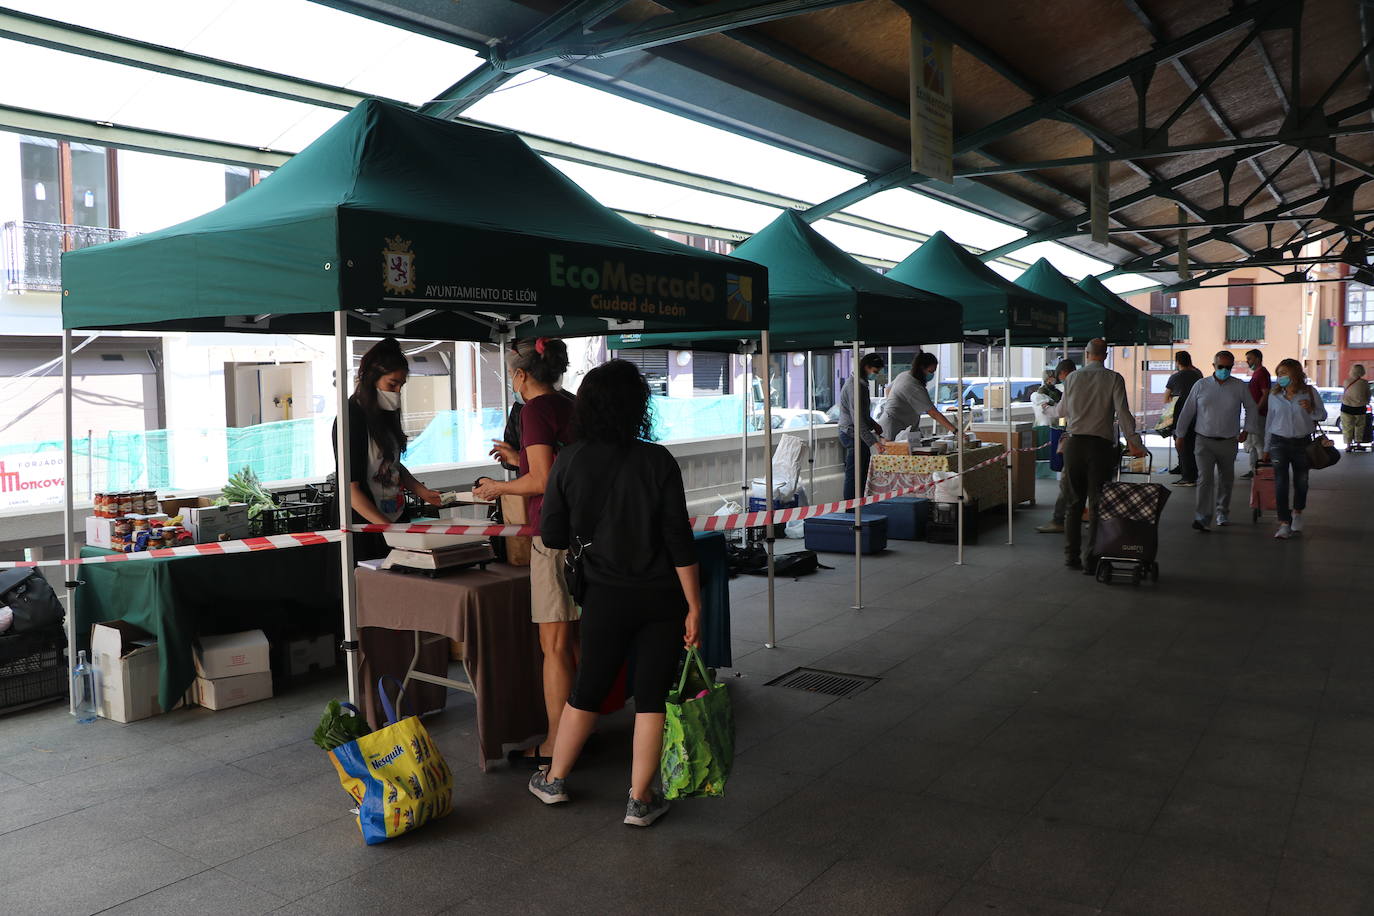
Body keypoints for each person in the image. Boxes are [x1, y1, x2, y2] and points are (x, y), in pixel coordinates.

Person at [529, 359, 701, 829]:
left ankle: (555, 780)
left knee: (588, 689)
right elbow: (678, 540)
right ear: (637, 406)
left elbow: (554, 535)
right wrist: (694, 605)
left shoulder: (569, 460)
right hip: (662, 598)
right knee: (650, 696)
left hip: (604, 596)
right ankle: (640, 800)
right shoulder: (657, 459)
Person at [474, 338, 576, 769]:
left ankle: (556, 743)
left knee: (553, 645)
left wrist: (498, 486)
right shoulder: (570, 405)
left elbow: (544, 480)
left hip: (552, 535)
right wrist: (519, 460)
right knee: (574, 641)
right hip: (584, 534)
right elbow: (553, 466)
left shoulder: (534, 410)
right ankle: (580, 727)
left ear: (520, 375)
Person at [334, 338, 442, 560]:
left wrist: (422, 491)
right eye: (392, 384)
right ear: (371, 378)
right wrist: (390, 531)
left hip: (394, 516)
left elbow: (391, 464)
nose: (397, 392)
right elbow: (350, 490)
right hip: (365, 527)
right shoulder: (350, 417)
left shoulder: (385, 414)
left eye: (401, 385)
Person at [1059, 339, 1147, 572]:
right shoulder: (1114, 378)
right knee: (1098, 504)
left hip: (1074, 444)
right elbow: (1123, 412)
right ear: (1105, 355)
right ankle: (1092, 559)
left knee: (1074, 504)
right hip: (1100, 448)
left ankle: (1071, 556)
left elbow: (1061, 411)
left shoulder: (1072, 378)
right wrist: (1134, 442)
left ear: (1087, 354)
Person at [1173, 350, 1260, 532]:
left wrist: (1248, 429)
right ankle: (1202, 518)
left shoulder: (1239, 386)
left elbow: (1251, 407)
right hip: (1204, 441)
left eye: (1228, 367)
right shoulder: (1201, 385)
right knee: (1205, 479)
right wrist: (1180, 434)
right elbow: (1188, 411)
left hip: (1229, 441)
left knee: (1226, 479)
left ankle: (1222, 512)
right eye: (1221, 367)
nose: (1225, 370)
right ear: (1213, 366)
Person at [1263, 359, 1327, 540]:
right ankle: (1284, 522)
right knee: (1280, 482)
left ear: (1296, 375)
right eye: (1279, 372)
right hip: (1278, 442)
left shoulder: (1309, 392)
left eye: (1285, 373)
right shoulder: (1274, 395)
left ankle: (1297, 511)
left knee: (1302, 480)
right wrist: (1266, 447)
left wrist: (1311, 409)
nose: (1281, 376)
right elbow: (1269, 421)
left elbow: (1322, 415)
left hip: (1302, 442)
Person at [1034, 358, 1077, 534]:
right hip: (1097, 439)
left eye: (1057, 377)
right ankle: (1091, 518)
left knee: (1067, 481)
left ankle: (1059, 520)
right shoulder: (1101, 381)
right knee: (1090, 484)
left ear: (1062, 374)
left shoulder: (1070, 385)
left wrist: (1048, 408)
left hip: (1075, 437)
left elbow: (1060, 412)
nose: (1055, 380)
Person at [878, 352, 959, 440]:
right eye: (930, 371)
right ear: (921, 368)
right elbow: (933, 413)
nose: (932, 375)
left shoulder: (904, 375)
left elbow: (888, 389)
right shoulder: (913, 386)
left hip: (902, 424)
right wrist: (955, 431)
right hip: (893, 427)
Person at [837, 353, 886, 500]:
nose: (875, 376)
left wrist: (874, 424)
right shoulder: (855, 386)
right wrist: (874, 442)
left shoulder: (861, 384)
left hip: (857, 433)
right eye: (874, 372)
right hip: (851, 433)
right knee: (854, 475)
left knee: (863, 472)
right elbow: (857, 419)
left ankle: (860, 504)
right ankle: (851, 509)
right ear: (866, 367)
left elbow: (863, 414)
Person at [1165, 351, 1204, 486]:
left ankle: (1187, 476)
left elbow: (1166, 398)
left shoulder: (1175, 377)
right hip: (1197, 416)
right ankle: (1191, 471)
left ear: (1177, 362)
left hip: (1180, 416)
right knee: (1193, 445)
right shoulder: (1198, 375)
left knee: (1181, 445)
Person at [1241, 349, 1271, 479]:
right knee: (1252, 443)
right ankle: (1253, 469)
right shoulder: (1256, 373)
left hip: (1259, 414)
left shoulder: (1262, 373)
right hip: (1254, 414)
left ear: (1258, 359)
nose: (1248, 361)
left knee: (1259, 443)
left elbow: (1265, 393)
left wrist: (1257, 410)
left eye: (1250, 359)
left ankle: (1261, 469)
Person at [1340, 364, 1370, 450]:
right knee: (1360, 426)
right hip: (1360, 407)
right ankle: (1358, 443)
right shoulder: (1365, 383)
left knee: (1347, 427)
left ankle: (1348, 445)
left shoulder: (1346, 381)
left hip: (1346, 407)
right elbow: (1368, 395)